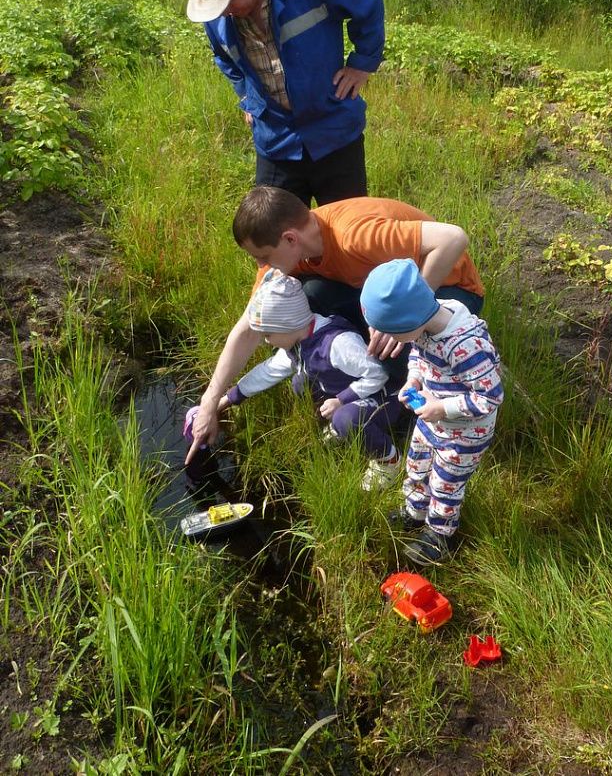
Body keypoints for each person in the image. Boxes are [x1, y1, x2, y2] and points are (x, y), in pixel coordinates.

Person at [185, 187, 485, 466]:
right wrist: (211, 402)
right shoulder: (296, 253)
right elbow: (249, 327)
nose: (263, 266)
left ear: (290, 239)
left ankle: (411, 408)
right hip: (383, 292)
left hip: (449, 288)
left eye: (263, 257)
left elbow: (453, 238)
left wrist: (409, 309)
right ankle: (366, 374)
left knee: (400, 341)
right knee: (311, 294)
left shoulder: (354, 235)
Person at [185, 0, 384, 206]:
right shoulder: (218, 19)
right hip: (276, 141)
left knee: (348, 236)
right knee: (275, 237)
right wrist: (247, 96)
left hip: (334, 135)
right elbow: (225, 58)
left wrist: (362, 64)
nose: (223, 10)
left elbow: (368, 4)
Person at [184, 269, 405, 491]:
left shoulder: (338, 344)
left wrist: (341, 400)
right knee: (300, 383)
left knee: (346, 419)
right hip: (350, 392)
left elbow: (378, 373)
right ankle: (341, 425)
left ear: (288, 325)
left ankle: (387, 460)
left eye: (268, 335)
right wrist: (226, 400)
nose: (267, 342)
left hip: (383, 397)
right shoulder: (299, 343)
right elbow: (267, 372)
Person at [360, 258, 503, 566]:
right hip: (432, 420)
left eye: (392, 334)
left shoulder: (465, 345)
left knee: (445, 484)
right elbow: (419, 354)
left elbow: (489, 397)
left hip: (465, 433)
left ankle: (440, 534)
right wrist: (414, 379)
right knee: (417, 466)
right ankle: (414, 511)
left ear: (410, 323)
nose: (391, 342)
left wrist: (441, 407)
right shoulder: (426, 319)